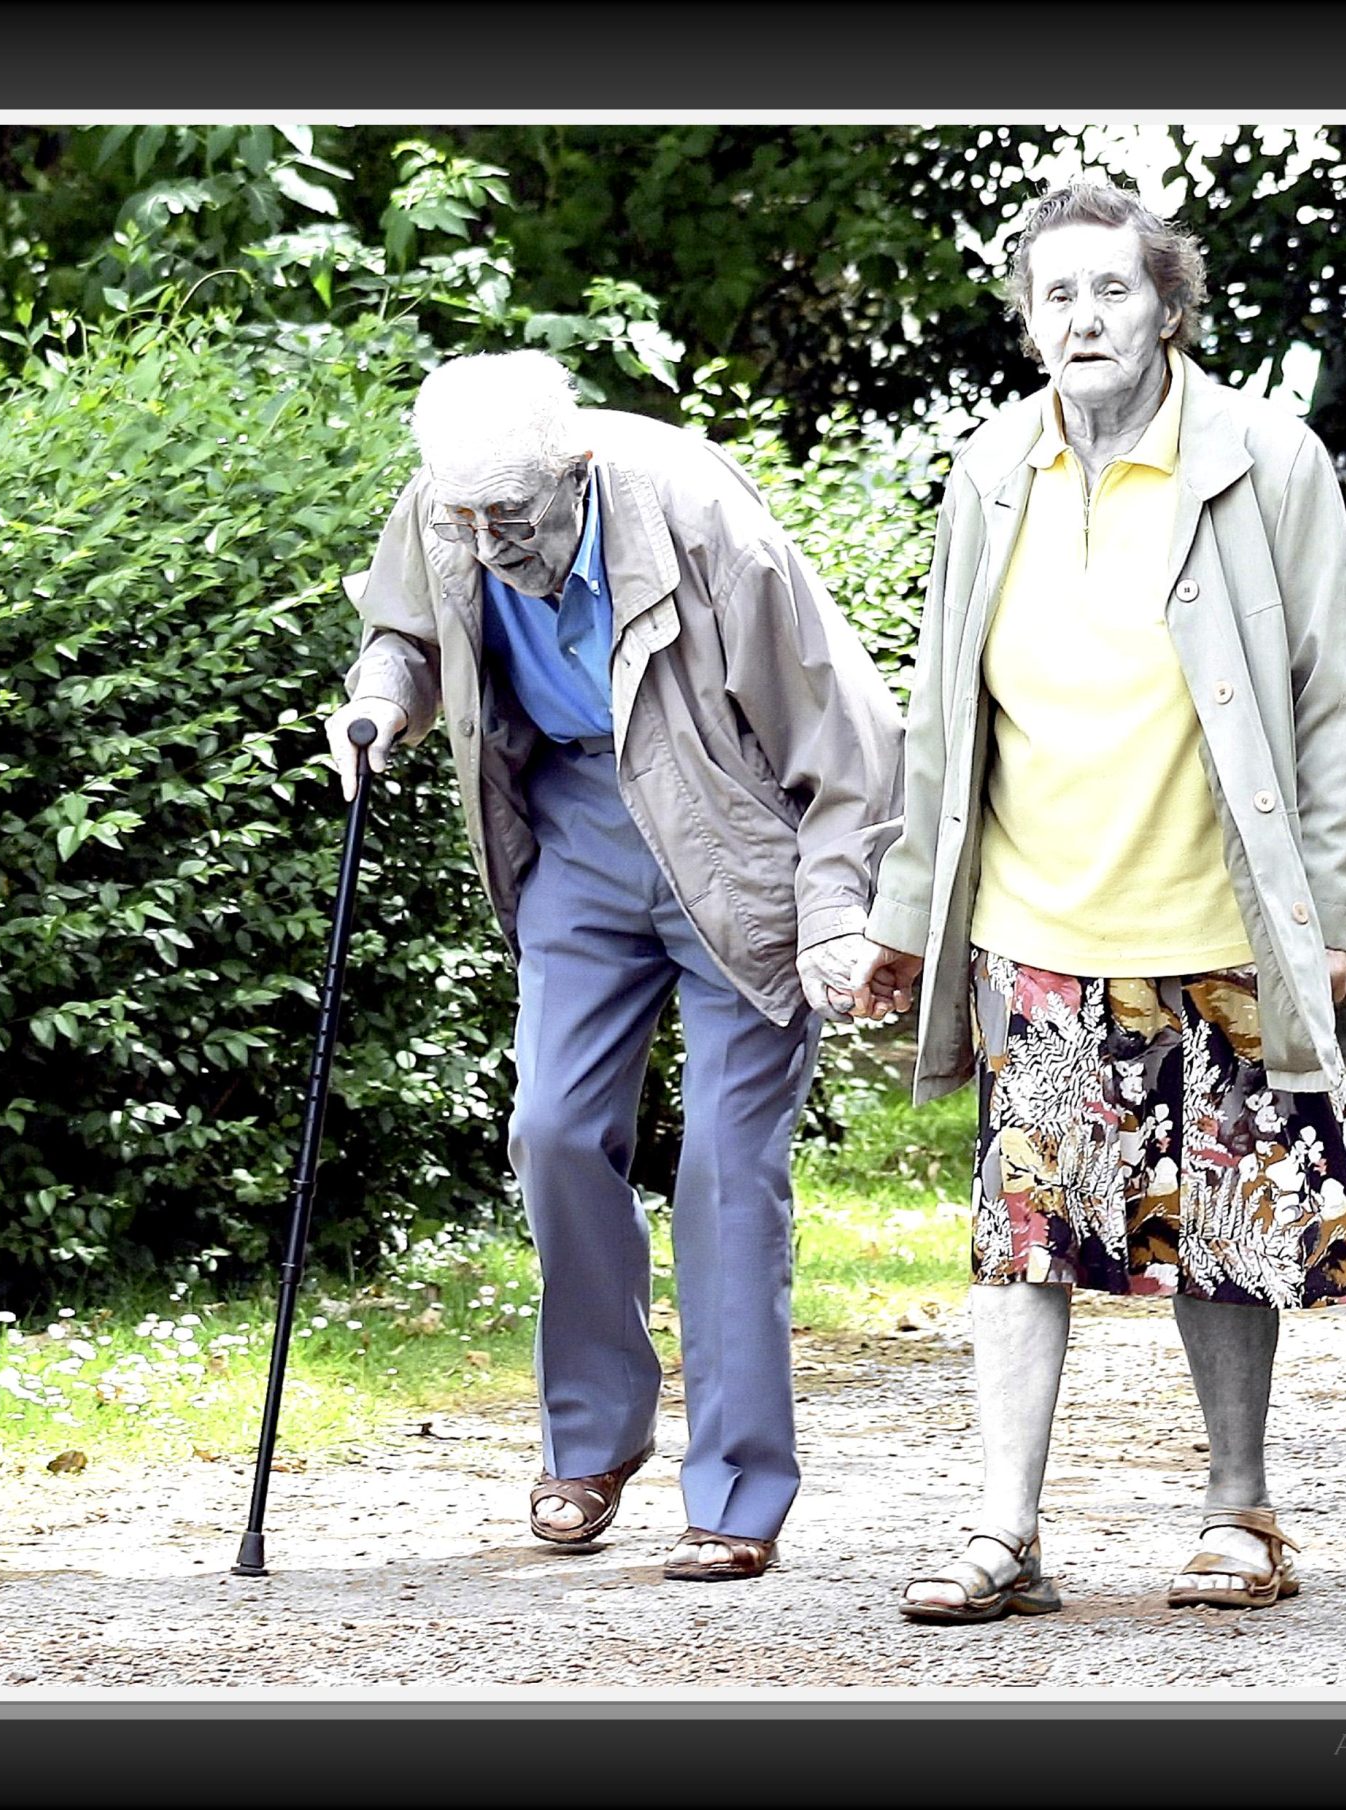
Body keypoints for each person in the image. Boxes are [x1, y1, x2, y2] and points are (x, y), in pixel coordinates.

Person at [841, 176, 1346, 1620]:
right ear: (1029, 319)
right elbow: (941, 721)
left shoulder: (1262, 460)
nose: (1084, 317)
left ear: (1166, 306)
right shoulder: (988, 471)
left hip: (1215, 916)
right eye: (1058, 294)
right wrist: (913, 913)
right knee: (1022, 1229)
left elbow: (1339, 696)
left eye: (1112, 290)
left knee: (1225, 1227)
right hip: (1037, 926)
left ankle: (1238, 1513)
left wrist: (1326, 912)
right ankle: (1003, 1529)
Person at [324, 351, 904, 1582]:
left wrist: (838, 911)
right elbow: (406, 633)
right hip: (578, 832)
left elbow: (845, 730)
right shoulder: (452, 498)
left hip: (735, 834)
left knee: (726, 1165)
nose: (487, 543)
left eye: (511, 519)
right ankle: (592, 1440)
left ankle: (736, 1492)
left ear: (574, 465)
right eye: (463, 519)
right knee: (549, 1128)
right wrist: (380, 698)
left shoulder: (698, 515)